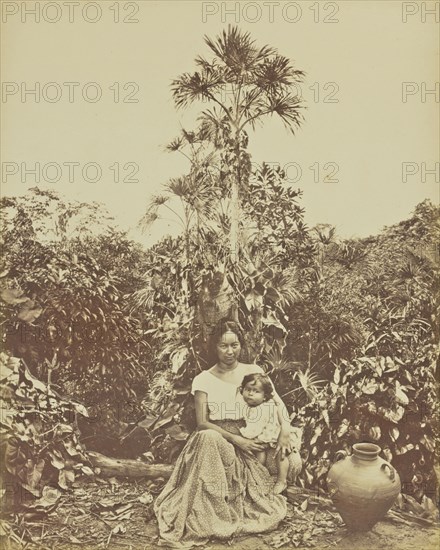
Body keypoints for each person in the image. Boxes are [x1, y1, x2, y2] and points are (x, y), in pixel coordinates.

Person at [154, 320, 302, 548]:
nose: (230, 351)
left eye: (235, 345)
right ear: (215, 347)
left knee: (292, 462)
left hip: (253, 432)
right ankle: (209, 509)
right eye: (224, 346)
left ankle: (252, 482)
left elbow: (277, 403)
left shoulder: (253, 371)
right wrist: (236, 440)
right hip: (219, 438)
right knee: (208, 437)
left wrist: (285, 429)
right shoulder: (202, 379)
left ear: (241, 345)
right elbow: (202, 422)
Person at [239, 372, 300, 494]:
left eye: (256, 391)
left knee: (280, 455)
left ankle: (282, 481)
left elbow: (256, 428)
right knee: (259, 453)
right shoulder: (248, 405)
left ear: (265, 396)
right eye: (248, 390)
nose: (250, 393)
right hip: (264, 437)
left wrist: (244, 435)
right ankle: (258, 477)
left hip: (275, 436)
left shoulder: (264, 407)